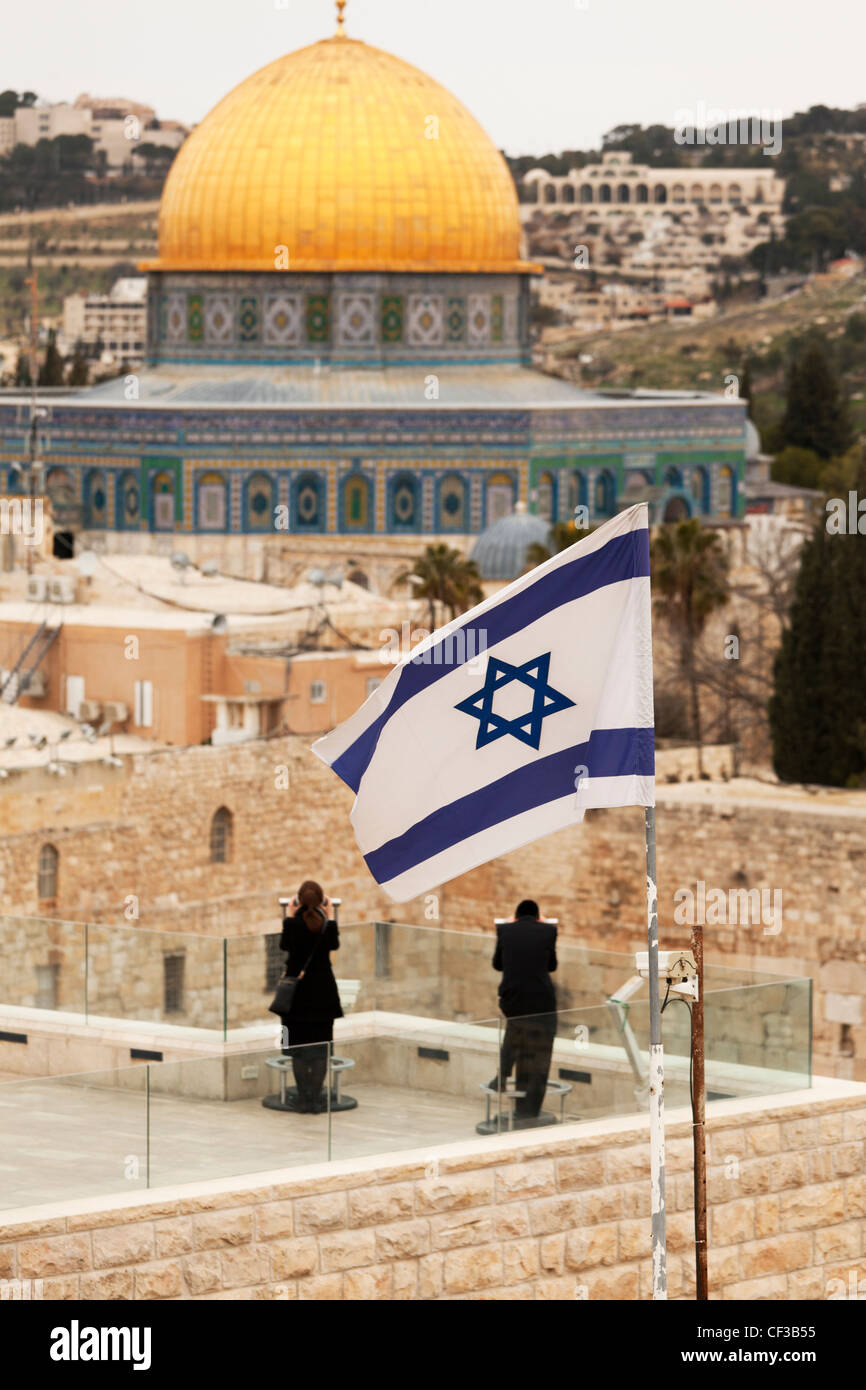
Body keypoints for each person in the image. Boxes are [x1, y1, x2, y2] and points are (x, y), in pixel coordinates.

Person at [278, 880, 343, 1113]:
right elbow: (334, 946)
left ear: (299, 900)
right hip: (323, 994)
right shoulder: (329, 926)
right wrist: (326, 915)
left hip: (296, 996)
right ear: (321, 901)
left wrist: (292, 914)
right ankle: (316, 1099)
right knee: (320, 1051)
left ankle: (303, 1100)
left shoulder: (291, 924)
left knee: (297, 1050)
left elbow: (284, 946)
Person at [492, 899, 558, 1124]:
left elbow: (497, 964)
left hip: (513, 1000)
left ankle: (502, 1073)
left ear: (516, 916)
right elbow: (551, 966)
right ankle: (529, 1109)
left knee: (515, 1029)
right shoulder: (549, 930)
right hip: (542, 1003)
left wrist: (507, 928)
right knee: (540, 1053)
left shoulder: (504, 930)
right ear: (538, 917)